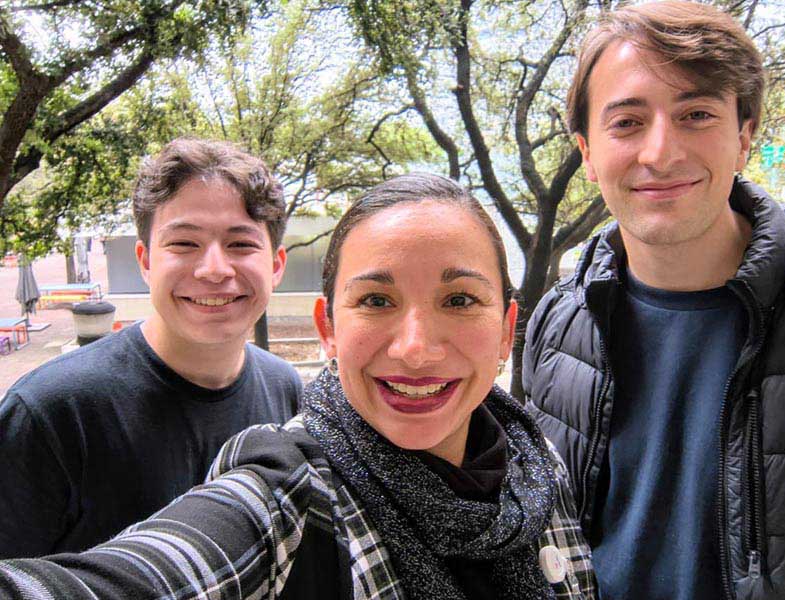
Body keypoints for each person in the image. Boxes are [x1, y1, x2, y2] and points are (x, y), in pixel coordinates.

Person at [0, 173, 597, 599]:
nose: (416, 348)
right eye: (376, 301)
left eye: (460, 300)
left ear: (506, 330)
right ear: (328, 329)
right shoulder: (289, 492)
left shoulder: (537, 463)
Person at [523, 2, 785, 599]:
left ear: (744, 136)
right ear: (587, 152)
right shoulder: (560, 322)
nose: (661, 152)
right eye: (627, 122)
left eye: (696, 114)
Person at [0, 138, 302, 558]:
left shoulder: (285, 389)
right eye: (184, 244)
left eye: (241, 244)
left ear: (275, 265)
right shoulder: (51, 411)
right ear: (145, 261)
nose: (214, 269)